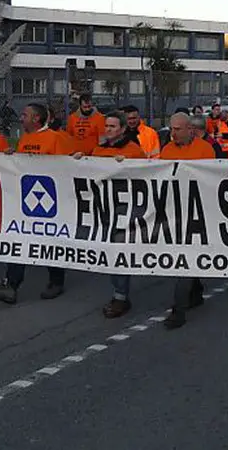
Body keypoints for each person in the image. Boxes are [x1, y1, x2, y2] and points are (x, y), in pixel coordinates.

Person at [0, 104, 75, 305]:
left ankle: (56, 281)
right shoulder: (25, 139)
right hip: (27, 198)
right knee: (20, 239)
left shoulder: (55, 138)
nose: (21, 118)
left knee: (51, 241)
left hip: (52, 199)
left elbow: (69, 168)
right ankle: (11, 285)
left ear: (36, 119)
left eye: (25, 115)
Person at [76, 112, 147, 318]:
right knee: (111, 251)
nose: (108, 129)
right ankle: (119, 292)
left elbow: (145, 177)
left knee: (120, 250)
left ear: (123, 129)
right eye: (106, 126)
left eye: (113, 126)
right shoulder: (98, 150)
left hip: (125, 210)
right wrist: (79, 161)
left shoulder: (133, 151)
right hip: (103, 209)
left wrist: (126, 166)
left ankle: (121, 296)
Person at [160, 112, 216, 330]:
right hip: (176, 211)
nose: (173, 133)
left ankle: (178, 309)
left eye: (178, 129)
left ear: (190, 129)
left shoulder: (205, 150)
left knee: (185, 258)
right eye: (171, 129)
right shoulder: (167, 150)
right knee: (185, 257)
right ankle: (196, 290)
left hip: (199, 211)